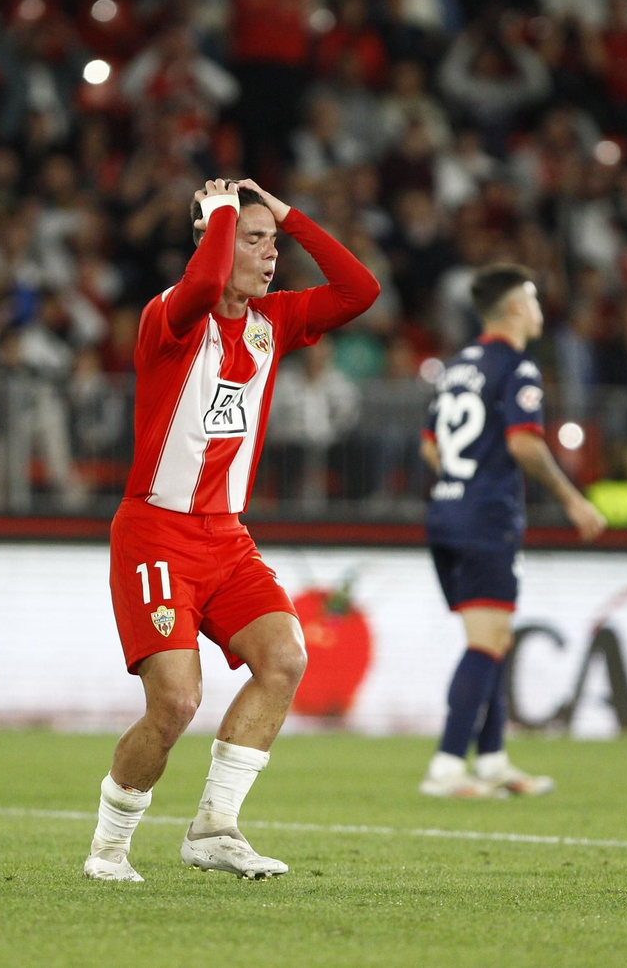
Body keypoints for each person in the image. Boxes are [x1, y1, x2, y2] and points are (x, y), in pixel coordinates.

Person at [84, 179, 379, 882]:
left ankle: (215, 828)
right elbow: (207, 279)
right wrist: (219, 213)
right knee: (176, 703)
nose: (269, 254)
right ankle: (108, 848)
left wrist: (288, 215)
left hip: (226, 538)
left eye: (272, 243)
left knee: (284, 657)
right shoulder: (170, 319)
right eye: (253, 239)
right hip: (155, 531)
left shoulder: (271, 322)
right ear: (212, 239)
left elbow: (360, 289)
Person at [419, 264, 605, 799]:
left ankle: (493, 758)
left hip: (447, 514)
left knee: (491, 640)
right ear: (517, 308)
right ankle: (448, 766)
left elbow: (430, 446)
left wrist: (462, 481)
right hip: (486, 518)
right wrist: (574, 500)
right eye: (534, 297)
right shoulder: (517, 368)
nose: (540, 307)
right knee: (489, 641)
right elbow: (525, 444)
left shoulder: (457, 367)